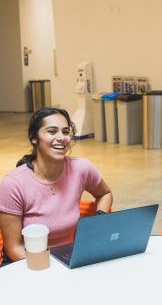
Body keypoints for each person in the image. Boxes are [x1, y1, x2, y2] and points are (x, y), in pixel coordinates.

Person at [0, 107, 113, 264]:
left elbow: (104, 194)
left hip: (66, 259)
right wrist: (50, 269)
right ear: (34, 138)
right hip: (27, 263)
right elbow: (14, 248)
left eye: (66, 132)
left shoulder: (81, 169)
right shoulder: (13, 184)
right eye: (52, 131)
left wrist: (100, 219)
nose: (61, 137)